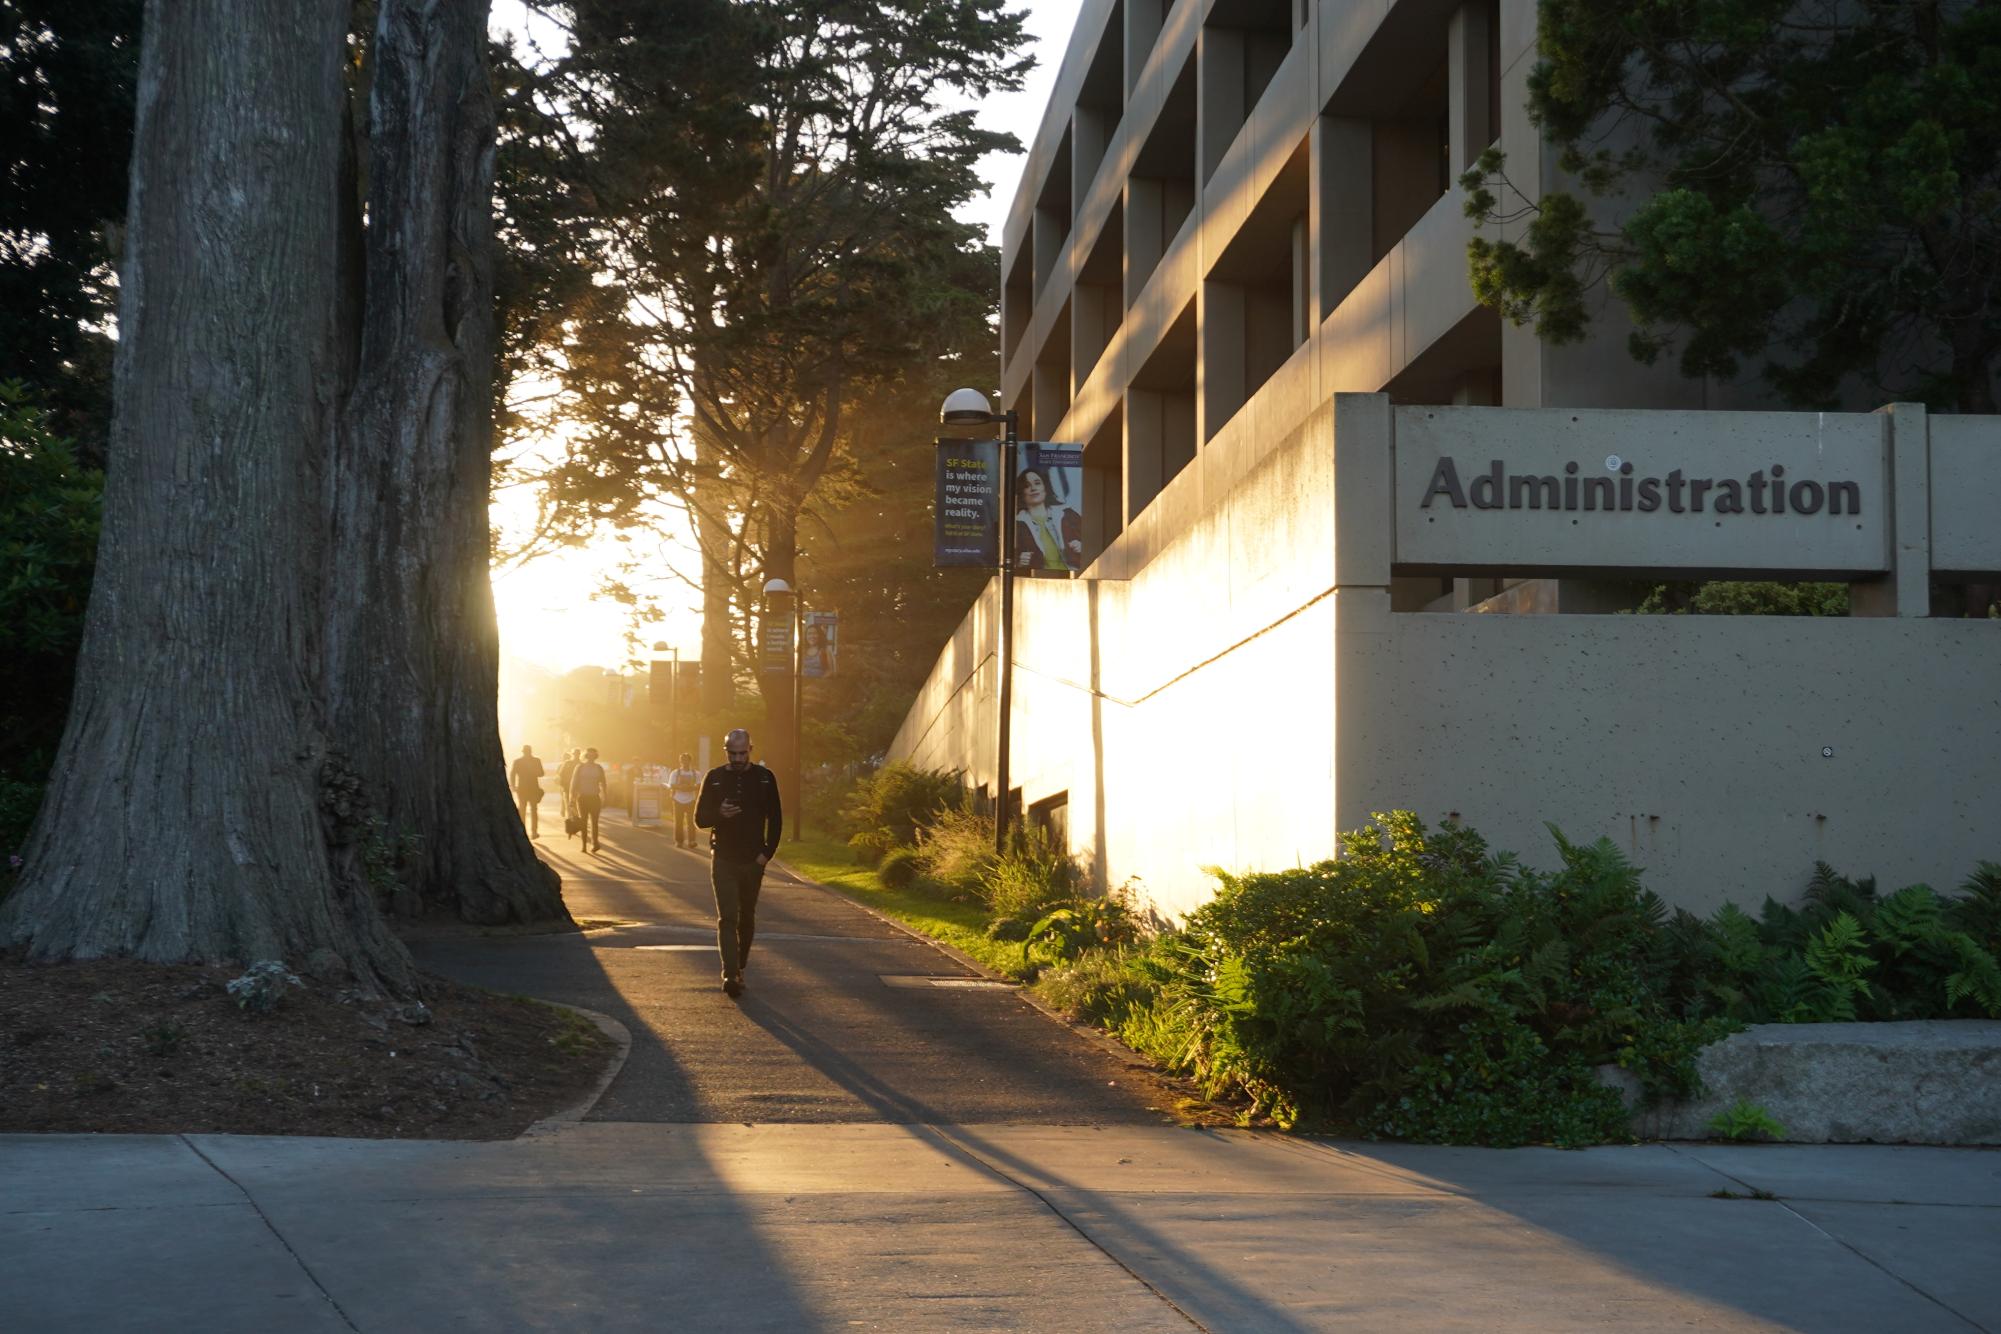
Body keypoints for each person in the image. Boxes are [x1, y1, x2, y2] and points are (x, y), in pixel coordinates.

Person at [694, 728, 782, 998]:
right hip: (723, 858)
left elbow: (776, 819)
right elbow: (700, 819)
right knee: (727, 918)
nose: (737, 758)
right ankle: (730, 973)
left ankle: (740, 966)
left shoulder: (765, 779)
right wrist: (719, 814)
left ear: (750, 750)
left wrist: (766, 854)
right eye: (732, 753)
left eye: (742, 753)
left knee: (746, 918)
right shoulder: (715, 778)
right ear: (726, 751)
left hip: (753, 860)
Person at [1013, 465, 1083, 572]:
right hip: (1038, 581)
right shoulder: (1016, 525)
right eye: (1027, 486)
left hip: (1073, 577)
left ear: (1045, 487)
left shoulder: (1068, 515)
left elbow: (1094, 545)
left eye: (1037, 483)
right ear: (1022, 493)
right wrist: (1018, 562)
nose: (1033, 488)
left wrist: (1082, 545)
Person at [568, 746, 608, 854]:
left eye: (593, 755)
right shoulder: (580, 767)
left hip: (595, 797)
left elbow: (603, 783)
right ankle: (584, 845)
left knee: (594, 822)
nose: (591, 757)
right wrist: (571, 798)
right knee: (583, 822)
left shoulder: (599, 768)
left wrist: (605, 797)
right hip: (582, 798)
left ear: (595, 756)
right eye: (589, 755)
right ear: (586, 756)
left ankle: (595, 843)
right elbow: (574, 783)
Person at [509, 744, 545, 838]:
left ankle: (532, 831)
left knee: (531, 810)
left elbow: (541, 773)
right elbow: (512, 774)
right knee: (523, 810)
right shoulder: (519, 761)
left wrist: (513, 786)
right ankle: (524, 830)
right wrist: (513, 786)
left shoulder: (535, 761)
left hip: (530, 789)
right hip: (524, 789)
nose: (527, 753)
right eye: (526, 752)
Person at [668, 751, 702, 849]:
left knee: (691, 822)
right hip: (678, 799)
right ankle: (679, 841)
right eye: (683, 760)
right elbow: (671, 785)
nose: (684, 762)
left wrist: (692, 787)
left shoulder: (696, 773)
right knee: (678, 822)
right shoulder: (675, 773)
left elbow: (699, 785)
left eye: (686, 760)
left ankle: (692, 841)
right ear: (680, 761)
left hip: (691, 800)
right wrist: (680, 787)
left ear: (690, 761)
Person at [555, 748, 581, 840]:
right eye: (575, 753)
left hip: (579, 790)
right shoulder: (567, 763)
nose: (576, 755)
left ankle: (577, 824)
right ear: (573, 754)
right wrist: (564, 786)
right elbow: (561, 775)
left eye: (578, 753)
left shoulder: (581, 764)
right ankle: (572, 827)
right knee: (569, 808)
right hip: (567, 789)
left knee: (577, 808)